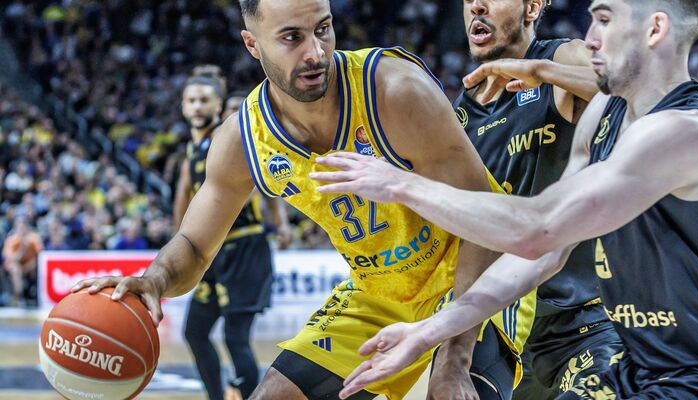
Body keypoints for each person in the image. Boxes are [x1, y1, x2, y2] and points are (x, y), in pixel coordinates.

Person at [311, 0, 698, 398]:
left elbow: (536, 227)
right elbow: (543, 253)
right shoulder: (602, 115)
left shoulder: (687, 131)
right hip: (638, 372)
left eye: (604, 19)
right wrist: (428, 332)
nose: (590, 38)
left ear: (655, 29)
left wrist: (401, 185)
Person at [72, 0, 537, 399]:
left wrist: (454, 357)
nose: (315, 52)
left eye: (323, 29)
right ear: (253, 45)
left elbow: (485, 218)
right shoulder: (242, 139)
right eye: (292, 37)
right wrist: (154, 281)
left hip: (475, 272)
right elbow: (194, 245)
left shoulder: (394, 89)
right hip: (379, 290)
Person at [453, 0, 621, 397]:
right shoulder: (458, 117)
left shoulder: (561, 57)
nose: (476, 6)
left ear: (531, 8)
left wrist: (541, 71)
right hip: (504, 334)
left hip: (586, 322)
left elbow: (628, 92)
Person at [174, 74, 291, 400]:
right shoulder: (193, 147)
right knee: (195, 332)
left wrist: (281, 223)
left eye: (204, 100)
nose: (197, 107)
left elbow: (266, 182)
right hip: (212, 250)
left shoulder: (232, 139)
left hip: (244, 246)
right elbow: (183, 193)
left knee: (235, 337)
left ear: (218, 106)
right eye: (191, 100)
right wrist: (178, 239)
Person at [2, 217, 43, 307]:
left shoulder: (33, 238)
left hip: (30, 267)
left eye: (23, 227)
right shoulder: (11, 240)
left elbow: (41, 254)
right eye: (19, 227)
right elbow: (9, 257)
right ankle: (19, 295)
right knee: (15, 268)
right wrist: (22, 250)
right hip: (15, 267)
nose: (21, 229)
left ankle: (29, 295)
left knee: (35, 263)